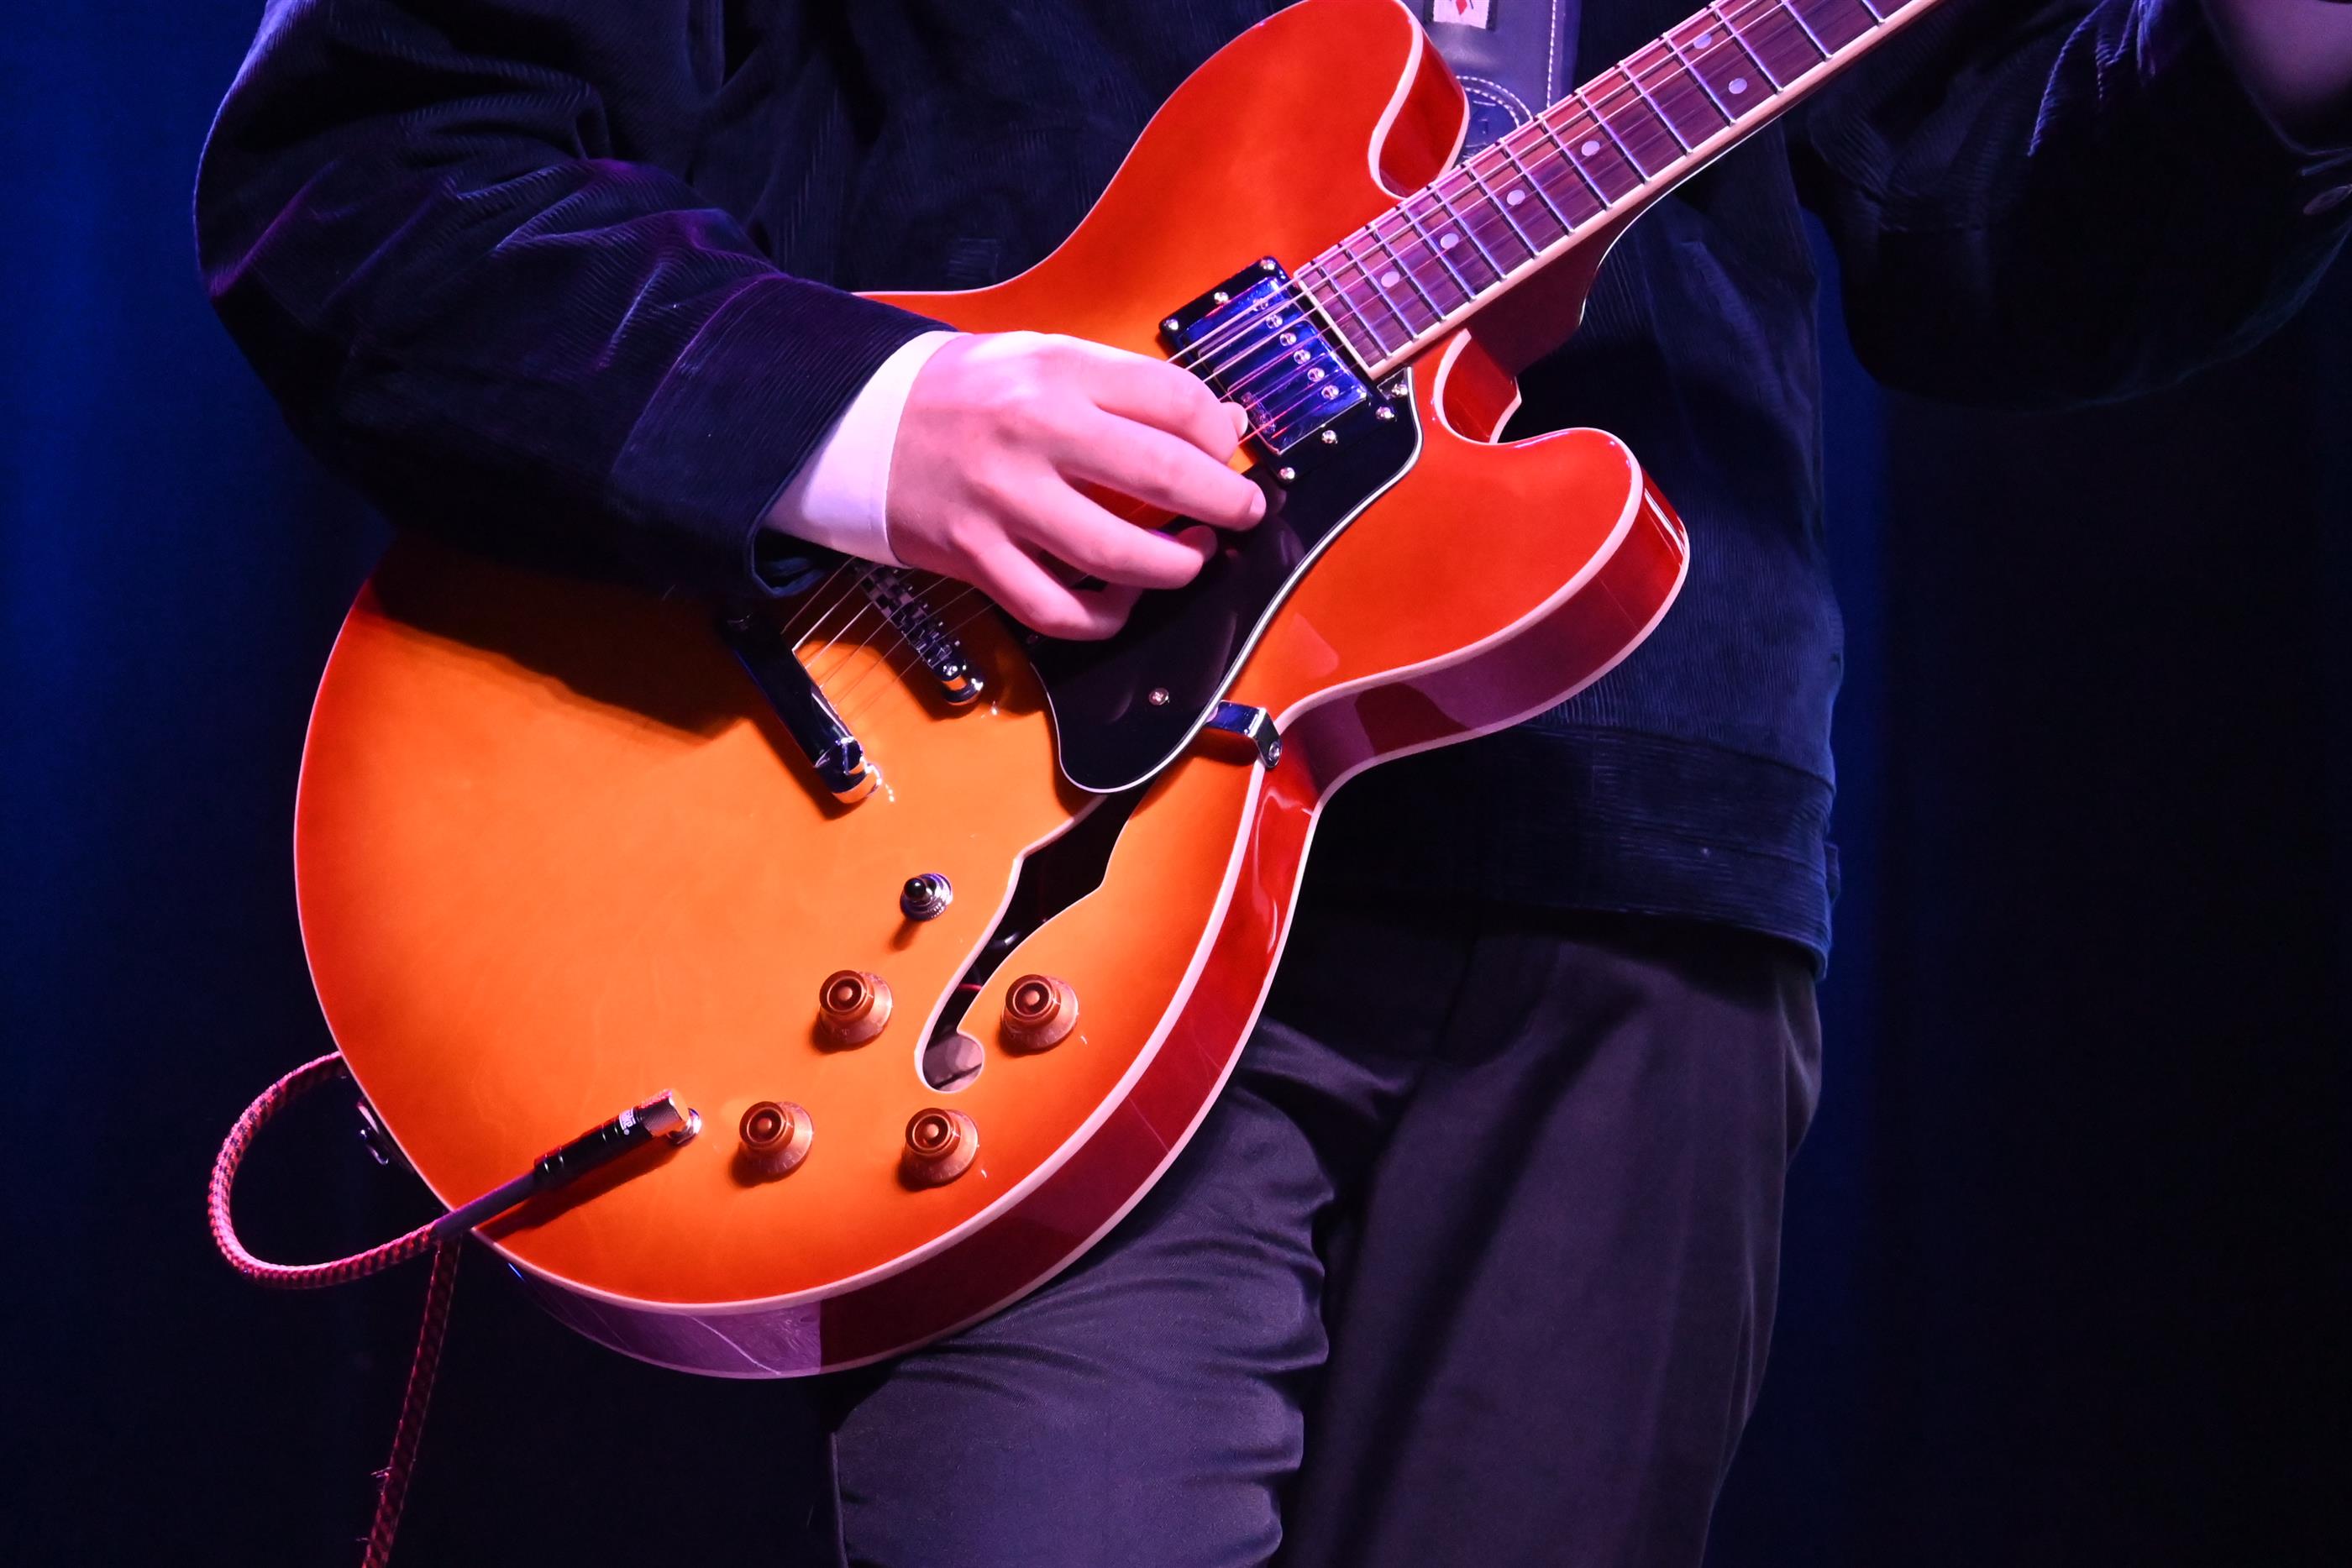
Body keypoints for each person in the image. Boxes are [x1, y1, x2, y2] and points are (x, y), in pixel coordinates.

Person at [194, 2, 2351, 1563]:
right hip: (998, 854)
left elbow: (1996, 230)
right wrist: (876, 421)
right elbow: (373, 165)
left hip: (1634, 854)